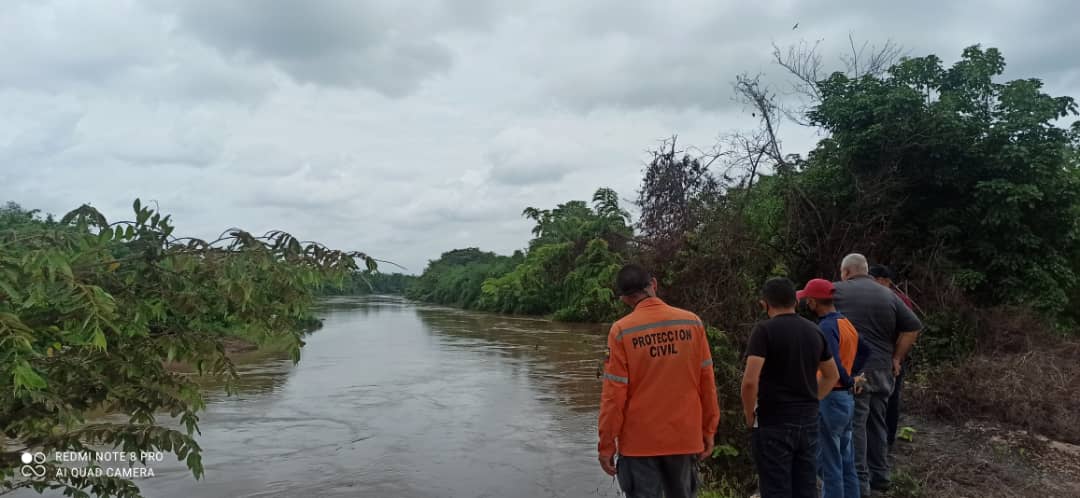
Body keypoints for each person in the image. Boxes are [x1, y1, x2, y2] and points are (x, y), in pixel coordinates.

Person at [598, 264, 720, 498]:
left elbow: (613, 397)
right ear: (653, 284)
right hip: (685, 437)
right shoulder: (692, 323)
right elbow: (707, 383)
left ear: (624, 299)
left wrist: (606, 445)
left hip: (639, 444)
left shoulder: (621, 331)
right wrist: (709, 428)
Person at [741, 277, 841, 498]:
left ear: (764, 303)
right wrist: (813, 398)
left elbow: (749, 381)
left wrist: (750, 416)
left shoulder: (764, 331)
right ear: (796, 301)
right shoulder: (814, 331)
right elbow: (831, 375)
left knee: (776, 489)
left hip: (773, 421)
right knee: (805, 488)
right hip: (807, 420)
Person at [834, 255, 922, 496]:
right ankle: (881, 475)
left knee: (856, 425)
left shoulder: (838, 290)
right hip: (884, 370)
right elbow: (913, 326)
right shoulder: (890, 295)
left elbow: (807, 298)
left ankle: (861, 483)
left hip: (857, 371)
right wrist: (896, 358)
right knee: (877, 421)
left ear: (847, 272)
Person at [798, 278, 869, 498]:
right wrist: (854, 377)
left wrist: (848, 380)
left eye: (806, 300)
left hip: (831, 397)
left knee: (830, 465)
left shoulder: (826, 326)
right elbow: (866, 350)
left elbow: (834, 364)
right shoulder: (845, 322)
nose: (805, 304)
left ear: (813, 301)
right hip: (845, 399)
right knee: (846, 460)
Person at [868, 264, 916, 450]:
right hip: (881, 357)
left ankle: (886, 440)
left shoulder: (897, 300)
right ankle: (880, 441)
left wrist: (896, 357)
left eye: (872, 279)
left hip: (890, 357)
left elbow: (909, 331)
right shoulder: (880, 297)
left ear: (883, 281)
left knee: (889, 399)